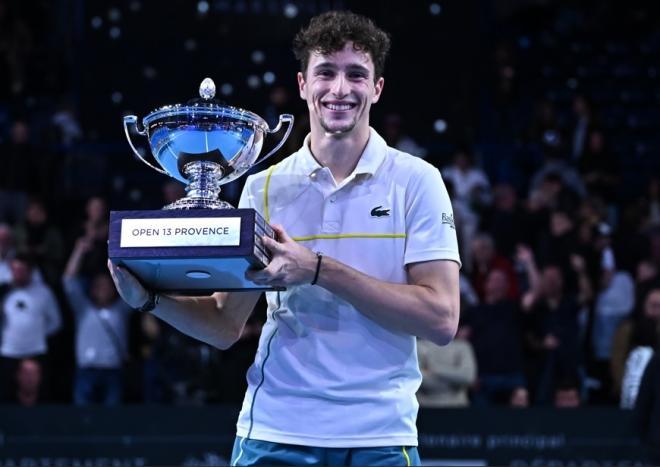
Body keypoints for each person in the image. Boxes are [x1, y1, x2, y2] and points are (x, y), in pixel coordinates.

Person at [108, 10, 460, 466]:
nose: (339, 89)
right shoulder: (264, 186)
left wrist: (317, 270)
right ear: (302, 84)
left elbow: (441, 319)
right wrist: (150, 301)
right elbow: (223, 324)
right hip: (275, 431)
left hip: (379, 437)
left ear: (376, 88)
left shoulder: (418, 181)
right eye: (325, 73)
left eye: (356, 74)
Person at [63, 236, 132, 405]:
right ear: (92, 290)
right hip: (86, 371)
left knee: (112, 420)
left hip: (113, 371)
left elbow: (133, 286)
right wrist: (79, 250)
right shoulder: (84, 308)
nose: (103, 289)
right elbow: (68, 281)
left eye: (107, 286)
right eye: (98, 286)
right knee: (83, 419)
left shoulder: (122, 309)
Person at [0, 254, 61, 401]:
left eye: (22, 270)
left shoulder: (43, 292)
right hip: (8, 351)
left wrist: (37, 334)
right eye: (15, 270)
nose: (18, 274)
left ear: (30, 271)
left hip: (36, 351)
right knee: (6, 395)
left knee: (39, 394)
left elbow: (56, 322)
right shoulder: (2, 292)